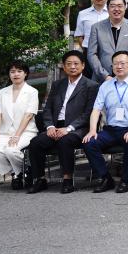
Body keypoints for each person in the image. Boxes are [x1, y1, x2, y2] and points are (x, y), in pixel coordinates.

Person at [26, 51, 99, 194]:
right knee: (35, 143)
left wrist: (69, 128)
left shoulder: (91, 86)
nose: (72, 67)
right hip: (55, 126)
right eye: (69, 64)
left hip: (77, 128)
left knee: (65, 141)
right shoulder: (57, 84)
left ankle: (67, 179)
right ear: (64, 67)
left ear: (83, 66)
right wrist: (50, 126)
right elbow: (47, 109)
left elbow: (88, 113)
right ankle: (39, 179)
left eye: (76, 64)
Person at [83, 50, 128, 194]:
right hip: (111, 129)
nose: (119, 66)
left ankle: (125, 180)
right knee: (90, 142)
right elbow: (96, 110)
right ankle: (105, 178)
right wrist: (92, 130)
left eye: (123, 63)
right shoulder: (105, 86)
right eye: (115, 64)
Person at [0, 61, 39, 189]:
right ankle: (18, 172)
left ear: (25, 74)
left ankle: (23, 171)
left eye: (19, 71)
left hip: (26, 132)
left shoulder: (32, 92)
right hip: (5, 132)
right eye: (12, 71)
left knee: (11, 150)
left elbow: (28, 115)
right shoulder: (3, 92)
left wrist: (17, 135)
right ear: (9, 74)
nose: (16, 74)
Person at [87, 0, 128, 80]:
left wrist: (125, 71)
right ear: (107, 8)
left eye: (120, 6)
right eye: (112, 6)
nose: (116, 9)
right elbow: (92, 54)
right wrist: (104, 75)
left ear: (125, 7)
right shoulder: (96, 27)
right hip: (102, 77)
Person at [74, 0, 109, 77]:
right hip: (88, 52)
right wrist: (87, 50)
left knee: (108, 78)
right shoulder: (83, 14)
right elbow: (79, 35)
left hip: (108, 52)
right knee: (89, 79)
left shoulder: (112, 13)